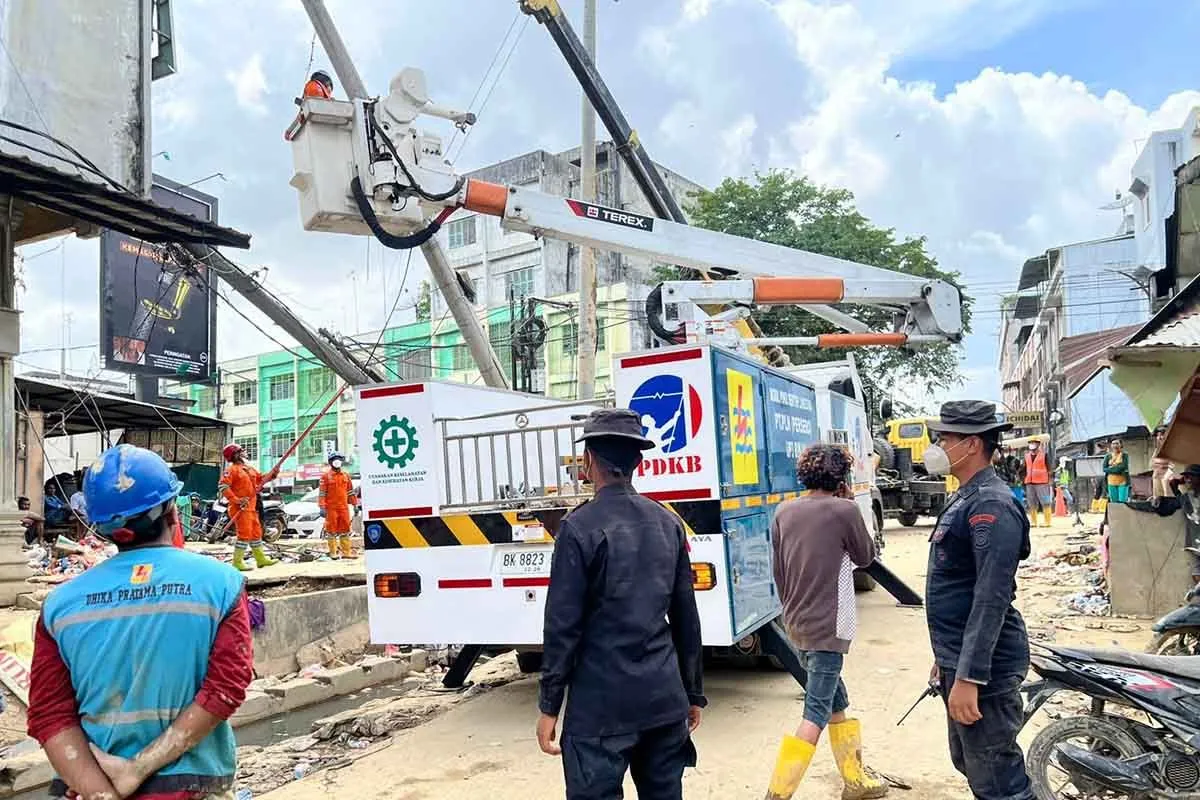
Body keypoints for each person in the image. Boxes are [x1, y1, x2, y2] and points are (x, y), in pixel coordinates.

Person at [27, 444, 253, 800]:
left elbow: (48, 714)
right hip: (189, 785)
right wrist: (137, 768)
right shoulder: (220, 583)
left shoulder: (60, 605)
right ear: (171, 511)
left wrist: (99, 792)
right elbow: (227, 687)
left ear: (102, 528)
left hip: (88, 783)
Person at [537, 408, 705, 800]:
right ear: (638, 462)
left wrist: (549, 706)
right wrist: (692, 692)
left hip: (599, 708)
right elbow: (686, 617)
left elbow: (562, 626)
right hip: (663, 700)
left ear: (589, 460)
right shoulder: (668, 523)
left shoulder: (578, 527)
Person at [923, 401, 1034, 800]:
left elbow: (991, 597)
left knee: (998, 780)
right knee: (971, 764)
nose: (936, 446)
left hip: (986, 667)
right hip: (962, 658)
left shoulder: (991, 504)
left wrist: (969, 677)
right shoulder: (967, 495)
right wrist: (946, 657)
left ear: (971, 445)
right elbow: (958, 589)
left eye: (944, 438)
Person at [764, 444, 887, 800]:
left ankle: (855, 780)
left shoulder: (783, 512)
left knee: (836, 700)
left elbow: (779, 571)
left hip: (797, 622)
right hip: (829, 627)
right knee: (815, 713)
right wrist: (849, 505)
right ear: (842, 477)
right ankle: (775, 795)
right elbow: (865, 557)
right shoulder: (844, 510)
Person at [218, 443, 279, 572]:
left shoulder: (249, 468)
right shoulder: (231, 470)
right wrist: (236, 500)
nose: (244, 453)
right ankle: (237, 561)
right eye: (240, 451)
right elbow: (223, 486)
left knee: (256, 533)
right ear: (235, 455)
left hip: (251, 507)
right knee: (244, 534)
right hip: (240, 507)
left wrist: (273, 473)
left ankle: (260, 559)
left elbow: (261, 478)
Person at [319, 452, 356, 559]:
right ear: (330, 462)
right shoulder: (325, 477)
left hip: (344, 508)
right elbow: (322, 493)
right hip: (331, 508)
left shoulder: (346, 476)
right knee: (331, 531)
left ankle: (346, 553)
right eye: (335, 459)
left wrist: (355, 505)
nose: (337, 461)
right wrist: (322, 507)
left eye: (339, 459)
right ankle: (333, 553)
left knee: (345, 530)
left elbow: (350, 492)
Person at [1023, 438, 1052, 528]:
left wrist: (1050, 480)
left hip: (1042, 482)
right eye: (1031, 443)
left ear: (1038, 445)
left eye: (1034, 443)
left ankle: (1047, 522)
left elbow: (1049, 468)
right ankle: (1033, 522)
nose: (1032, 444)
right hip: (1029, 482)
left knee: (1045, 502)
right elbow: (1024, 468)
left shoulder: (1044, 455)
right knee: (1031, 502)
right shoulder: (1026, 456)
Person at [1104, 438, 1131, 504]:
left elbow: (1123, 467)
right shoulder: (1108, 456)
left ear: (1120, 445)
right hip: (1111, 482)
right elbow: (1104, 469)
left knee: (1122, 502)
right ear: (1111, 445)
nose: (1115, 445)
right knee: (1114, 502)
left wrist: (1111, 469)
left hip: (1123, 482)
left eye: (1117, 443)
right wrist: (1117, 468)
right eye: (1113, 444)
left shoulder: (1124, 455)